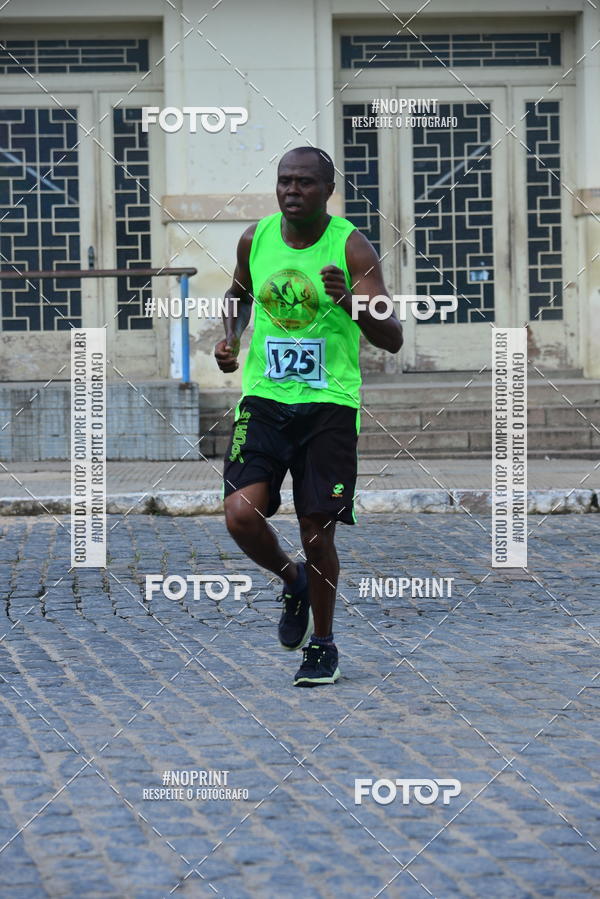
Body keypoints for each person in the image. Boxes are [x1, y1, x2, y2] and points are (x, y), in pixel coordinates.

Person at [214, 146, 402, 686]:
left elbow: (392, 338)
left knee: (317, 531)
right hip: (265, 399)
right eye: (283, 181)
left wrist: (351, 304)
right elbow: (238, 295)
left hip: (329, 406)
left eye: (304, 183)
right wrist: (230, 338)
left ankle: (322, 645)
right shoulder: (257, 238)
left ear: (327, 190)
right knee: (240, 515)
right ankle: (291, 578)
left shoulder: (352, 247)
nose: (291, 191)